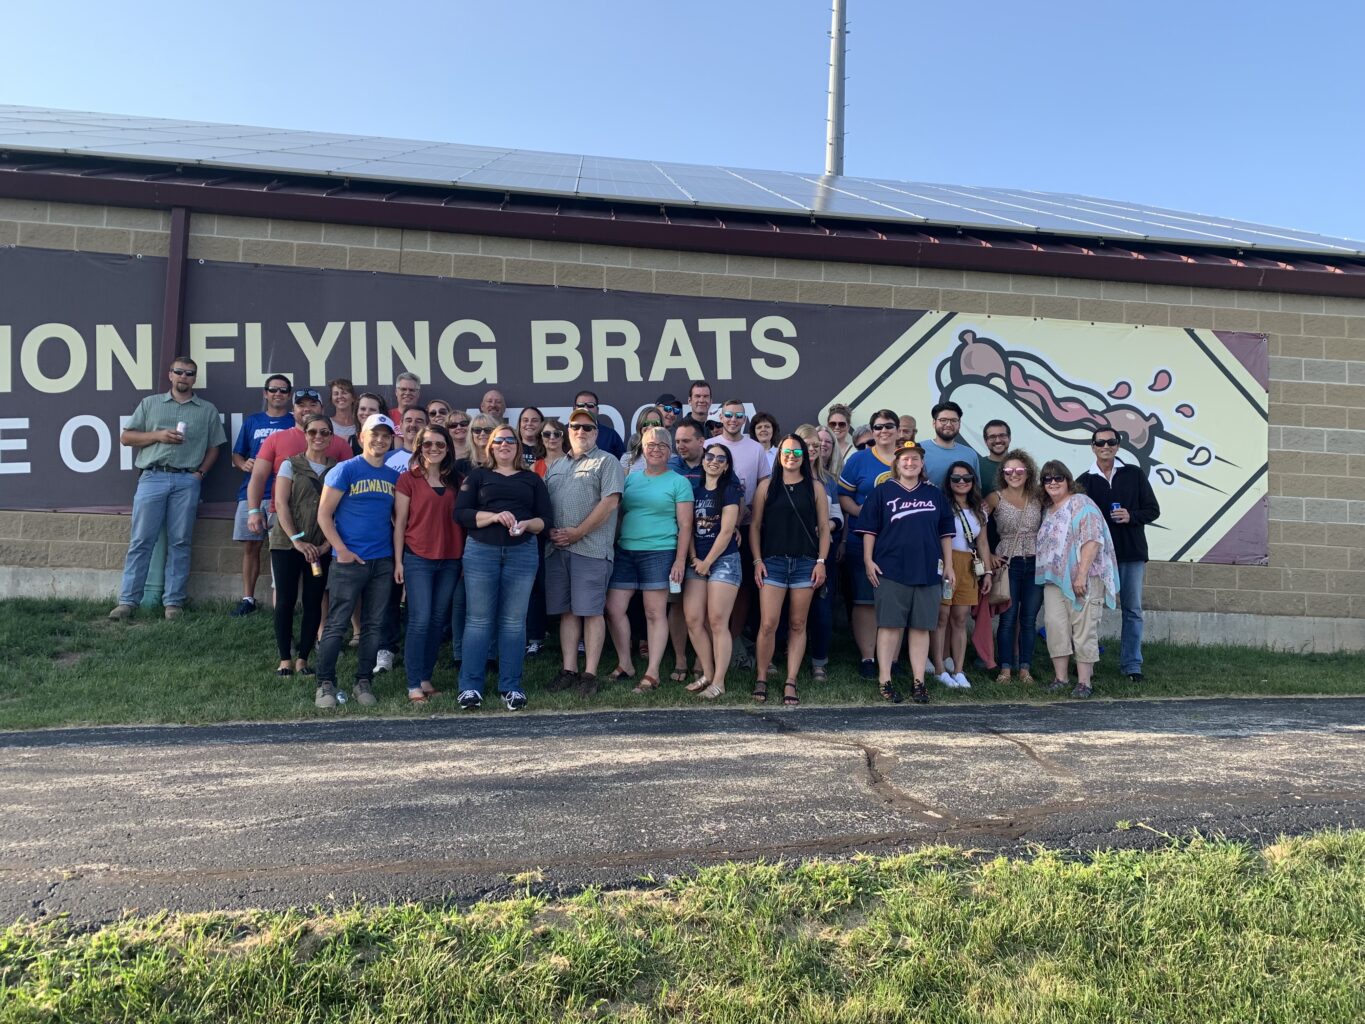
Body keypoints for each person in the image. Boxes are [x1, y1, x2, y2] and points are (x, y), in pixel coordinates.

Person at [108, 356, 226, 621]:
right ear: (170, 375)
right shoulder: (150, 404)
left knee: (181, 542)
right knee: (141, 540)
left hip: (187, 480)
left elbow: (215, 446)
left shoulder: (206, 409)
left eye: (189, 373)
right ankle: (127, 602)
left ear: (195, 378)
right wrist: (157, 436)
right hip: (153, 476)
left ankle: (173, 603)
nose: (184, 377)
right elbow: (126, 437)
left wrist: (200, 474)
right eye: (179, 372)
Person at [454, 423, 552, 711]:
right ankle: (470, 687)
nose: (504, 445)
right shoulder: (478, 476)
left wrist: (526, 524)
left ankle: (511, 687)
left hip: (522, 553)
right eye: (499, 441)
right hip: (481, 552)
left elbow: (545, 520)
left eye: (510, 440)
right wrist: (494, 516)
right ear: (490, 447)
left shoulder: (532, 479)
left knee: (513, 623)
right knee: (478, 620)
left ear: (518, 446)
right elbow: (460, 513)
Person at [313, 413, 402, 708]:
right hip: (348, 561)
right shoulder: (345, 470)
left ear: (391, 441)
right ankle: (325, 684)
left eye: (385, 435)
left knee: (374, 625)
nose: (379, 440)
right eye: (374, 434)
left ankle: (363, 681)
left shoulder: (393, 477)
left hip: (382, 561)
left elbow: (396, 520)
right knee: (337, 624)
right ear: (361, 437)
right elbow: (324, 515)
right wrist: (341, 550)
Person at [858, 442, 955, 705]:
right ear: (897, 464)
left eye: (914, 459)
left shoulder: (934, 495)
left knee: (921, 627)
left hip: (927, 569)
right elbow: (869, 529)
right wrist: (868, 559)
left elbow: (946, 532)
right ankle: (885, 679)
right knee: (889, 625)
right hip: (890, 568)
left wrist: (949, 564)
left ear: (922, 464)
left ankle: (919, 681)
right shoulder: (883, 492)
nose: (910, 463)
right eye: (905, 460)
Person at [605, 427, 694, 694]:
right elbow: (619, 515)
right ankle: (626, 664)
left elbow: (686, 525)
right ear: (642, 449)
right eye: (650, 445)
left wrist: (680, 561)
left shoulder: (679, 482)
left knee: (654, 612)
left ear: (670, 451)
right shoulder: (630, 479)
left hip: (660, 551)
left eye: (661, 446)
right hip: (626, 550)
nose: (655, 449)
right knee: (613, 608)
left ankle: (652, 672)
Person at [544, 408, 626, 697]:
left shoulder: (607, 461)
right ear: (568, 431)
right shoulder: (555, 466)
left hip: (590, 549)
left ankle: (589, 674)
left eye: (587, 428)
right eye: (575, 427)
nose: (581, 431)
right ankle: (569, 669)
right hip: (557, 550)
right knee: (567, 611)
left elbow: (610, 503)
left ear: (596, 433)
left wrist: (578, 532)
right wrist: (549, 530)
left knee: (590, 611)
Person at [750, 433, 830, 706]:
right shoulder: (766, 487)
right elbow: (755, 527)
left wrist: (821, 562)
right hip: (772, 562)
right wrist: (757, 560)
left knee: (798, 624)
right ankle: (761, 677)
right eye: (787, 451)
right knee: (768, 624)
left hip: (805, 563)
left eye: (797, 453)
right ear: (779, 454)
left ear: (804, 457)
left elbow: (824, 529)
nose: (792, 457)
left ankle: (791, 680)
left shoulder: (816, 488)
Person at [1077, 427, 1161, 683]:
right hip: (1097, 559)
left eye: (1111, 442)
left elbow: (1153, 510)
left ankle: (1132, 665)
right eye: (1100, 442)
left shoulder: (1134, 474)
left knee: (1133, 610)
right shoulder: (1084, 481)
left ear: (1118, 445)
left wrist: (1131, 516)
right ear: (1093, 447)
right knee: (1090, 612)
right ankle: (1087, 664)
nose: (1106, 446)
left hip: (1131, 553)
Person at [1036, 460, 1120, 698]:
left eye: (1058, 478)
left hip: (1084, 578)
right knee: (1055, 627)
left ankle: (1084, 682)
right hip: (1054, 581)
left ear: (1068, 480)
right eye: (1047, 479)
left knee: (1084, 628)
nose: (1052, 482)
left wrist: (1081, 574)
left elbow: (1092, 539)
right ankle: (1060, 678)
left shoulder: (1081, 503)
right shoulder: (1048, 510)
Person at [393, 423, 464, 704]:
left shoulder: (456, 480)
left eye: (440, 445)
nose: (433, 449)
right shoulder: (407, 480)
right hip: (418, 557)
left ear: (447, 449)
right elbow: (399, 523)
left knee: (437, 621)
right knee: (419, 620)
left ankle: (425, 677)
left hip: (450, 558)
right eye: (427, 444)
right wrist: (399, 561)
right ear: (418, 447)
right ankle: (413, 685)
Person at [268, 412, 337, 677]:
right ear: (305, 434)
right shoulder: (290, 465)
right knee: (285, 600)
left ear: (331, 437)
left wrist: (326, 546)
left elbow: (339, 512)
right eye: (313, 432)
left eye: (324, 432)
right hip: (287, 545)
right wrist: (297, 541)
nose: (318, 437)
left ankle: (304, 658)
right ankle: (285, 658)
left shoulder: (337, 468)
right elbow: (282, 504)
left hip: (320, 548)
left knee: (314, 600)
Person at [838, 408, 900, 678]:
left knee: (896, 601)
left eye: (888, 426)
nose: (883, 431)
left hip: (900, 544)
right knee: (865, 600)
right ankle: (868, 659)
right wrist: (866, 516)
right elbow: (843, 497)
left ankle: (894, 660)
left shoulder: (908, 460)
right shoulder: (859, 460)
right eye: (878, 427)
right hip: (861, 541)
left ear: (898, 430)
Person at [245, 388, 352, 542]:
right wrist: (253, 510)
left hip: (328, 518)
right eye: (301, 405)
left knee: (324, 566)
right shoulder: (275, 439)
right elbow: (258, 477)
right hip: (283, 516)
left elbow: (349, 485)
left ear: (322, 409)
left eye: (313, 404)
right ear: (293, 410)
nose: (307, 408)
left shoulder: (340, 444)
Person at [228, 374, 296, 618]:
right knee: (251, 547)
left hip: (283, 495)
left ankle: (284, 602)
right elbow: (237, 455)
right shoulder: (253, 421)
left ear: (289, 395)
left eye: (283, 390)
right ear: (265, 393)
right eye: (273, 390)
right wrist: (242, 464)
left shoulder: (293, 422)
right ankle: (248, 598)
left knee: (283, 550)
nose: (278, 394)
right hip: (253, 494)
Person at [682, 439, 743, 700]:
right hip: (698, 561)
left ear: (727, 465)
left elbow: (728, 530)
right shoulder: (694, 490)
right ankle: (707, 673)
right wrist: (695, 557)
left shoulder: (730, 489)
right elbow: (688, 526)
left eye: (720, 458)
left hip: (724, 561)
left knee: (717, 622)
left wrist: (707, 562)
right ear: (703, 460)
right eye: (710, 457)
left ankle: (719, 682)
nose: (714, 461)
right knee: (694, 620)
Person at [713, 399, 771, 667]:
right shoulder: (708, 446)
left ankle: (735, 639)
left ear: (745, 420)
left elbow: (764, 485)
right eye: (728, 415)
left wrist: (749, 512)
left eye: (738, 416)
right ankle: (717, 641)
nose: (733, 419)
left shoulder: (756, 449)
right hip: (713, 528)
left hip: (746, 527)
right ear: (721, 417)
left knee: (744, 586)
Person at [931, 461, 994, 690]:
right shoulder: (941, 505)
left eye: (966, 478)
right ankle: (939, 668)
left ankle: (958, 669)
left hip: (969, 565)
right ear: (948, 482)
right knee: (941, 618)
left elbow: (983, 543)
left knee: (960, 618)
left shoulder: (980, 510)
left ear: (973, 481)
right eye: (956, 478)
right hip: (946, 563)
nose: (961, 482)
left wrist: (987, 572)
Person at [987, 449, 1044, 685]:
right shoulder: (994, 498)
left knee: (1029, 619)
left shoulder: (1039, 497)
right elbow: (976, 525)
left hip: (1035, 563)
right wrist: (987, 553)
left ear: (1028, 472)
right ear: (1003, 473)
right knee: (1008, 619)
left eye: (1019, 469)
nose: (1014, 474)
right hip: (1008, 564)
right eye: (1008, 470)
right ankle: (1005, 669)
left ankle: (1025, 669)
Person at [796, 423, 844, 683]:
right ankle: (783, 657)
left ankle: (818, 662)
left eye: (816, 445)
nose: (812, 449)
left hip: (821, 552)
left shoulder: (827, 481)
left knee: (822, 610)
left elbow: (837, 516)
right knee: (788, 611)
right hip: (790, 553)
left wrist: (828, 526)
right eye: (807, 445)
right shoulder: (784, 476)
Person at [921, 401, 979, 488]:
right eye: (943, 420)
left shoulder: (970, 454)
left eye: (954, 420)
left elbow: (976, 488)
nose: (948, 424)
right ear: (934, 423)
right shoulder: (919, 450)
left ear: (959, 424)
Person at [573, 389, 625, 458]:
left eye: (590, 405)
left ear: (597, 410)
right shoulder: (563, 433)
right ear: (574, 409)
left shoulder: (611, 435)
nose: (585, 408)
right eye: (580, 405)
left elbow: (624, 465)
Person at [621, 404, 668, 476]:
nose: (650, 427)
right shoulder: (627, 459)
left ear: (662, 427)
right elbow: (621, 486)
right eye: (646, 423)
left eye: (655, 423)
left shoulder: (670, 458)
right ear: (640, 426)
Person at [978, 420, 1011, 494]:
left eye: (1002, 435)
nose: (998, 440)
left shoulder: (1022, 465)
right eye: (992, 437)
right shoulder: (977, 466)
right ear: (985, 441)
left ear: (1009, 438)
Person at [668, 420, 705, 484]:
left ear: (701, 442)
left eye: (685, 441)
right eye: (677, 442)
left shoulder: (715, 465)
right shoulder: (669, 467)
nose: (680, 446)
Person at [825, 403, 855, 469]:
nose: (837, 427)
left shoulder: (854, 453)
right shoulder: (821, 448)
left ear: (848, 427)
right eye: (833, 424)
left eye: (841, 424)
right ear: (827, 425)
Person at [329, 377, 357, 445]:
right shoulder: (327, 424)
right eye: (336, 394)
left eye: (344, 393)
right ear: (331, 399)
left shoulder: (361, 423)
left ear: (353, 398)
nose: (340, 396)